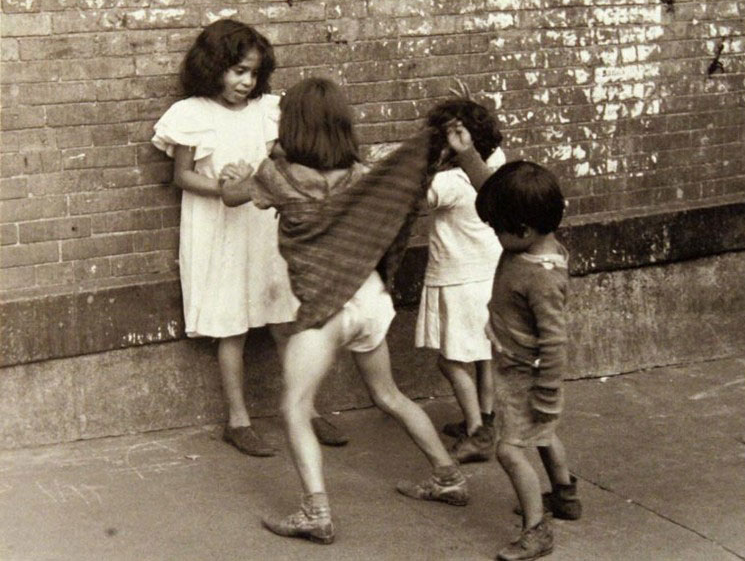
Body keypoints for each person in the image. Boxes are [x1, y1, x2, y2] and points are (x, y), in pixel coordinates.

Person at [222, 77, 471, 545]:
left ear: (291, 124)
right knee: (390, 395)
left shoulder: (277, 175)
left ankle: (315, 512)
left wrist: (232, 177)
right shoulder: (363, 176)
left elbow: (232, 195)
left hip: (326, 311)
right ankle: (447, 476)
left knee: (294, 408)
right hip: (369, 300)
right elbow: (401, 178)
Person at [152, 19, 346, 458]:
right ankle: (238, 419)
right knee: (232, 325)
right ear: (213, 66)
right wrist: (225, 188)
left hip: (264, 224)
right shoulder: (192, 113)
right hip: (220, 228)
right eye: (237, 71)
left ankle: (306, 408)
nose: (246, 81)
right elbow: (181, 176)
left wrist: (269, 183)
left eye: (253, 73)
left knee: (285, 319)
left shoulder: (268, 110)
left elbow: (281, 159)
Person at [474, 159, 582, 561]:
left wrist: (548, 393)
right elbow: (491, 189)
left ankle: (536, 530)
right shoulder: (533, 239)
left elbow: (556, 342)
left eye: (497, 229)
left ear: (522, 230)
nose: (494, 233)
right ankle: (565, 496)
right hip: (522, 366)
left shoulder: (541, 276)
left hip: (526, 373)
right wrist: (468, 153)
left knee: (509, 449)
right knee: (544, 433)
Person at [417, 98, 506, 463]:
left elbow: (414, 197)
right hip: (489, 275)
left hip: (458, 280)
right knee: (484, 356)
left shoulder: (449, 182)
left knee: (451, 361)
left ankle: (475, 433)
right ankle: (487, 420)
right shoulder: (496, 165)